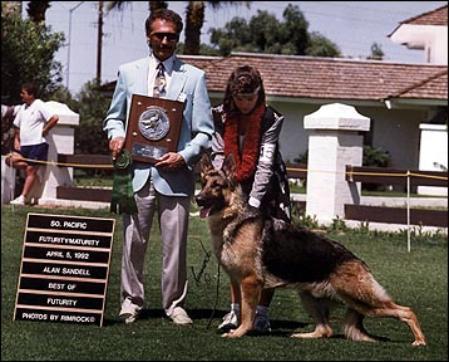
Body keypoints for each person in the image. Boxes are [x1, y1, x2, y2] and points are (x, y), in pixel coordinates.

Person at [103, 9, 214, 325]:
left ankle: (174, 304)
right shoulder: (128, 72)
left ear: (177, 38)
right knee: (132, 242)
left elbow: (205, 131)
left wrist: (185, 155)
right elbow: (113, 116)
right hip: (135, 174)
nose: (165, 41)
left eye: (171, 36)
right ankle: (130, 301)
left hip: (175, 175)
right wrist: (116, 134)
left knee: (175, 246)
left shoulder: (194, 77)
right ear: (148, 36)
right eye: (159, 35)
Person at [211, 65, 291, 333]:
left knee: (268, 252)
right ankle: (235, 312)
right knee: (235, 252)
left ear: (259, 94)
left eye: (250, 98)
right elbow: (218, 155)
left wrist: (253, 206)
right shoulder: (220, 116)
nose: (245, 104)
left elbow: (265, 166)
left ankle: (262, 314)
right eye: (240, 98)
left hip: (267, 188)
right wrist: (225, 187)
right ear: (231, 95)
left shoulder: (271, 118)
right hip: (233, 186)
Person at [5, 83, 59, 205]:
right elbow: (17, 125)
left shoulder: (39, 104)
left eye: (23, 93)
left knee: (30, 170)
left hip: (38, 144)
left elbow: (54, 118)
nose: (21, 95)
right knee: (10, 160)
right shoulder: (23, 108)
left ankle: (23, 198)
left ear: (31, 94)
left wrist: (45, 130)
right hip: (25, 145)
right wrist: (17, 139)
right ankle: (34, 169)